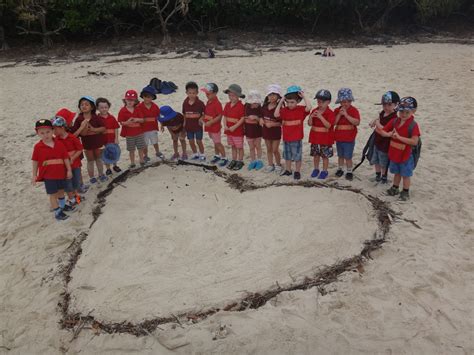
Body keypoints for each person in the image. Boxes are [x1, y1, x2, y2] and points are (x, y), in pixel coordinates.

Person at [376, 97, 421, 201]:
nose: (403, 114)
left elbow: (414, 141)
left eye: (407, 112)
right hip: (394, 153)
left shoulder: (413, 125)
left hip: (406, 155)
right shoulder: (395, 121)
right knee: (397, 172)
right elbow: (381, 130)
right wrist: (387, 134)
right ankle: (395, 188)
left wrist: (399, 138)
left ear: (413, 111)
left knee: (405, 175)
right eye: (401, 111)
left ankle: (405, 191)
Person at [31, 119, 72, 221]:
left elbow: (65, 158)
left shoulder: (59, 144)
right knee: (53, 194)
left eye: (48, 132)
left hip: (61, 173)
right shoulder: (38, 147)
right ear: (38, 133)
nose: (46, 135)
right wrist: (34, 175)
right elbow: (35, 161)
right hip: (48, 176)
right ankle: (57, 212)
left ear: (53, 131)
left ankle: (62, 206)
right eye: (42, 133)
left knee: (61, 191)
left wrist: (69, 170)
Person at [275, 85, 311, 180]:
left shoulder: (300, 110)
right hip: (286, 138)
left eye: (292, 102)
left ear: (298, 101)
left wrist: (303, 96)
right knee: (287, 156)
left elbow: (309, 107)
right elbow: (276, 114)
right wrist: (282, 101)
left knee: (297, 156)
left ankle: (297, 171)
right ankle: (288, 170)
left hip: (296, 138)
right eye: (288, 102)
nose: (290, 104)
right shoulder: (284, 110)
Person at [71, 96, 107, 184]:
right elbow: (77, 133)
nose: (84, 106)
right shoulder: (79, 119)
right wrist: (83, 128)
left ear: (92, 107)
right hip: (87, 144)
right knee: (90, 160)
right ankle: (92, 177)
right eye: (82, 104)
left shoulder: (96, 117)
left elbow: (103, 128)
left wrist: (93, 129)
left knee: (99, 159)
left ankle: (101, 174)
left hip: (98, 142)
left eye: (86, 104)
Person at [369, 91, 399, 183]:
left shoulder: (394, 118)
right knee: (376, 160)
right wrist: (375, 120)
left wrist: (377, 123)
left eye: (389, 105)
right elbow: (378, 117)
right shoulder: (383, 113)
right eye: (384, 105)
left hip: (385, 144)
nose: (386, 107)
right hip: (377, 141)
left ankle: (384, 177)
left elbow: (385, 129)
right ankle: (377, 175)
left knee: (383, 162)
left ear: (396, 105)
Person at [52, 116, 83, 209]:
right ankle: (71, 198)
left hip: (75, 164)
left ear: (62, 128)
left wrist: (73, 157)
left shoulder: (72, 137)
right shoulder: (56, 140)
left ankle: (76, 195)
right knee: (67, 183)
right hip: (64, 167)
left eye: (55, 129)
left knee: (76, 181)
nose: (54, 132)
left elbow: (80, 149)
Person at [334, 88, 360, 181]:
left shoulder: (354, 110)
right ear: (340, 102)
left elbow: (357, 122)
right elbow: (334, 123)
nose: (345, 104)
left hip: (349, 139)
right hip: (339, 138)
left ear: (350, 101)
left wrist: (346, 115)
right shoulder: (337, 110)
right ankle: (340, 169)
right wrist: (339, 115)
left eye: (347, 101)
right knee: (340, 155)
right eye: (343, 101)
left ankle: (349, 171)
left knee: (348, 156)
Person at [308, 89, 335, 179]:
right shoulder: (314, 110)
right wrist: (311, 117)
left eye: (322, 102)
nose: (320, 104)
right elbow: (310, 124)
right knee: (316, 155)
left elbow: (328, 125)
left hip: (325, 139)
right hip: (315, 138)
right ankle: (316, 169)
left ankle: (324, 171)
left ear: (328, 102)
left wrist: (320, 117)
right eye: (318, 101)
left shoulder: (330, 113)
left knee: (324, 156)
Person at [118, 89, 146, 168]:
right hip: (129, 134)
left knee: (140, 148)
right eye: (128, 100)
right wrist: (127, 122)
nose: (130, 102)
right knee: (131, 149)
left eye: (132, 100)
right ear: (125, 100)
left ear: (135, 101)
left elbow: (143, 120)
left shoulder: (137, 109)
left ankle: (141, 159)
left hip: (139, 132)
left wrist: (137, 119)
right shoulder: (122, 111)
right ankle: (132, 162)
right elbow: (121, 122)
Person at [201, 83, 227, 166]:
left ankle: (224, 157)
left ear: (215, 93)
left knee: (218, 143)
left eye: (208, 93)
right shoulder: (209, 101)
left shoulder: (217, 103)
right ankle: (217, 155)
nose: (206, 95)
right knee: (215, 142)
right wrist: (203, 118)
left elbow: (220, 116)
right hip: (209, 127)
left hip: (215, 127)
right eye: (206, 93)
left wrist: (211, 122)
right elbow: (207, 112)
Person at [136, 85, 164, 162]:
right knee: (145, 144)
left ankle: (157, 152)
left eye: (149, 97)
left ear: (152, 97)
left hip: (153, 127)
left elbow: (158, 116)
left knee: (155, 141)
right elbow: (138, 118)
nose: (147, 98)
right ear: (142, 96)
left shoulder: (155, 106)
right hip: (143, 129)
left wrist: (162, 124)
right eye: (145, 96)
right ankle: (146, 155)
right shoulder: (139, 107)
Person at [223, 84, 246, 170]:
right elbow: (224, 116)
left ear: (238, 96)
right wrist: (225, 125)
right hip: (229, 130)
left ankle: (240, 161)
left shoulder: (241, 106)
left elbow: (242, 118)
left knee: (239, 147)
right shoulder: (227, 105)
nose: (231, 97)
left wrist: (235, 127)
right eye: (229, 95)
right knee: (233, 146)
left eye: (233, 96)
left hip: (237, 131)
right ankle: (234, 159)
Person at [96, 97, 121, 175]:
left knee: (114, 152)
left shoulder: (112, 117)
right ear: (98, 108)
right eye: (102, 107)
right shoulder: (97, 119)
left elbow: (116, 128)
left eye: (106, 107)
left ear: (108, 107)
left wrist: (116, 138)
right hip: (103, 141)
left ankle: (115, 165)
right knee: (105, 154)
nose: (104, 109)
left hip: (112, 140)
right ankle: (108, 168)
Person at [260, 84, 283, 173]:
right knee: (268, 149)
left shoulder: (279, 108)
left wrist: (273, 124)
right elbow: (261, 115)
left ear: (278, 96)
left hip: (275, 132)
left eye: (274, 94)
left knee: (275, 149)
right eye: (270, 94)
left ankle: (278, 164)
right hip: (266, 131)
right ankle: (270, 164)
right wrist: (261, 119)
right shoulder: (265, 106)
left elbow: (281, 122)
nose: (272, 96)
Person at [183, 81, 206, 161]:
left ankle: (202, 154)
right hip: (189, 126)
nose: (192, 95)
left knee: (199, 141)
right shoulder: (185, 103)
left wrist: (202, 117)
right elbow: (184, 114)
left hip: (198, 126)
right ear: (186, 92)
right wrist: (184, 125)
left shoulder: (200, 103)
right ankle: (195, 153)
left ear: (197, 93)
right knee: (191, 141)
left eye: (193, 93)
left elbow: (205, 113)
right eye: (190, 93)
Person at [244, 90, 264, 171]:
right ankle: (253, 161)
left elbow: (262, 121)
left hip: (258, 131)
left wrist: (256, 118)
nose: (255, 104)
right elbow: (243, 117)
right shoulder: (245, 107)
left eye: (257, 102)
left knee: (258, 146)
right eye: (253, 102)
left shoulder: (260, 108)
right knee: (251, 147)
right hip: (248, 131)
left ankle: (259, 160)